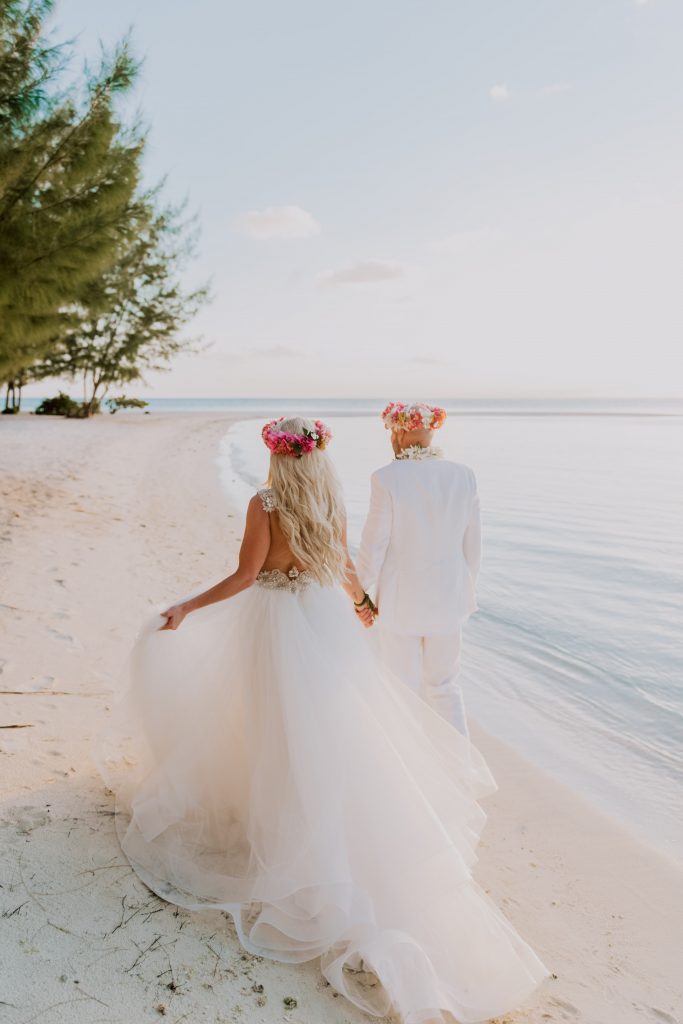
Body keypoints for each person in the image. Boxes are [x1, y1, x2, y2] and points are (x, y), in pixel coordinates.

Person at [97, 415, 546, 1024]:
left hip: (278, 627)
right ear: (317, 453)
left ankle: (280, 830)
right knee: (332, 736)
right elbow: (339, 566)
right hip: (322, 624)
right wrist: (362, 605)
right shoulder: (329, 497)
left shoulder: (265, 501)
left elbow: (245, 576)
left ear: (277, 455)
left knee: (274, 731)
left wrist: (186, 606)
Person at [357, 401, 480, 736]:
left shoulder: (386, 478)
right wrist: (465, 592)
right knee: (445, 686)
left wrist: (360, 596)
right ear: (432, 431)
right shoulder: (463, 475)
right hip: (449, 601)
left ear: (397, 433)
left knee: (401, 687)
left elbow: (374, 544)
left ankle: (410, 773)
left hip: (402, 603)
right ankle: (460, 772)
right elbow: (473, 547)